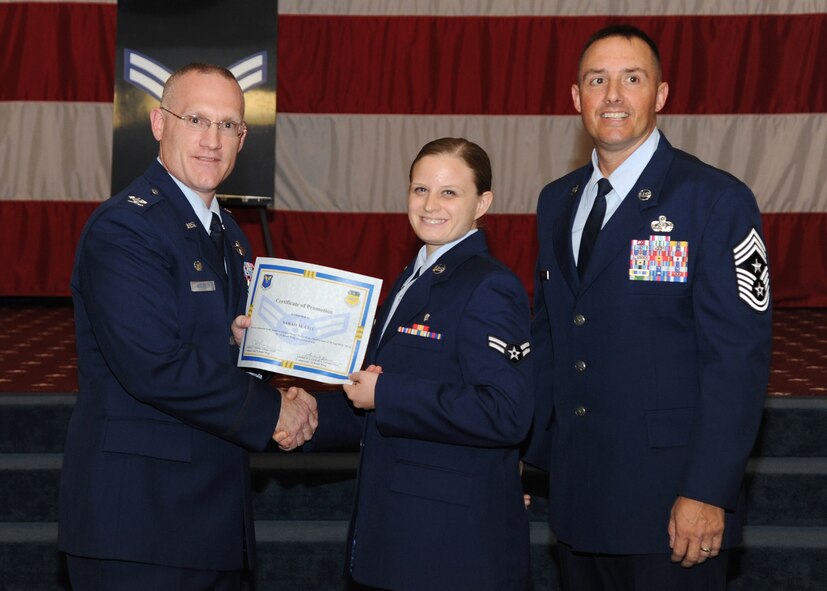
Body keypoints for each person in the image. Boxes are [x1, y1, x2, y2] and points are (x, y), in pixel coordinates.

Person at [522, 25, 772, 591]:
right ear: (575, 98)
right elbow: (553, 336)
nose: (613, 95)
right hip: (579, 498)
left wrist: (709, 490)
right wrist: (528, 451)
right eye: (597, 80)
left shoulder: (714, 200)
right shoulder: (555, 200)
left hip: (672, 506)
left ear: (660, 95)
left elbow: (737, 359)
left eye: (631, 79)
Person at [58, 63, 318, 590]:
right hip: (140, 521)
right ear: (158, 123)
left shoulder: (230, 236)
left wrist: (258, 352)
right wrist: (274, 411)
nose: (212, 140)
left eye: (229, 125)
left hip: (211, 518)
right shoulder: (126, 228)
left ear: (243, 138)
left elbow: (204, 342)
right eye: (196, 119)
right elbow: (155, 364)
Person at [293, 137, 534, 590]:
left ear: (483, 203)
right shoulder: (412, 276)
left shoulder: (489, 286)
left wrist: (386, 392)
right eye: (420, 189)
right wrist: (302, 415)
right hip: (400, 538)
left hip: (451, 552)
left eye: (449, 192)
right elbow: (370, 397)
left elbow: (506, 412)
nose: (430, 205)